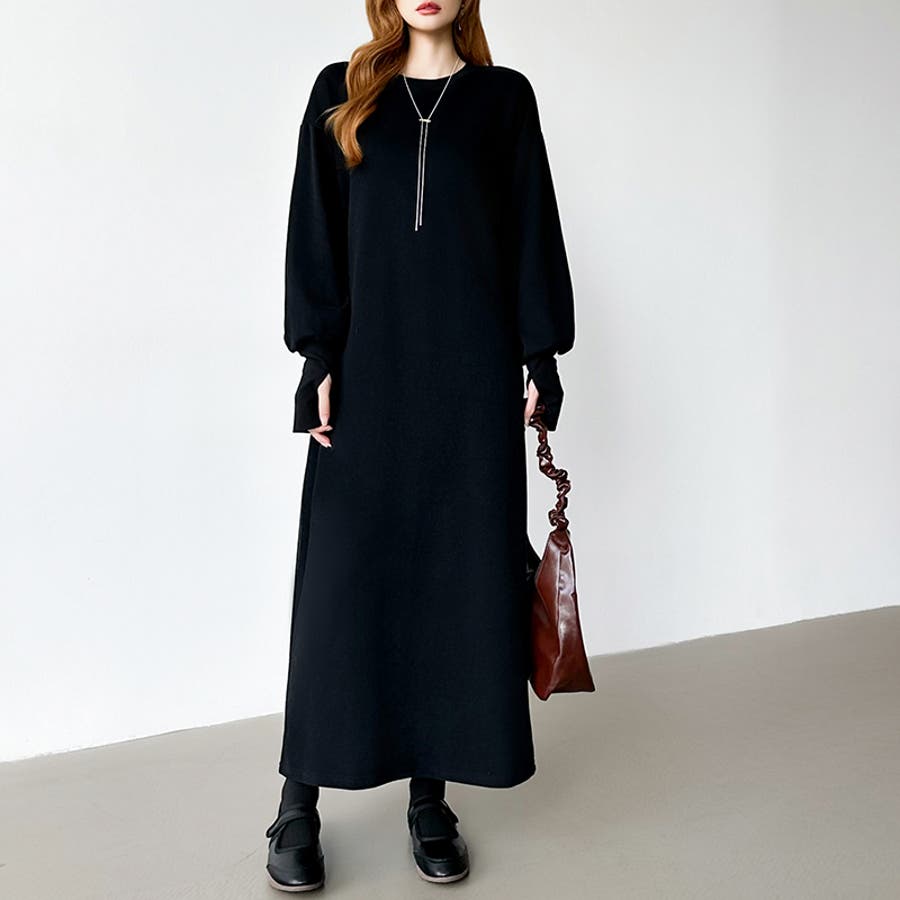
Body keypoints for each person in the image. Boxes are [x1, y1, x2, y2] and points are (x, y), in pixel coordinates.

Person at [265, 0, 576, 890]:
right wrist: (317, 356)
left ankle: (429, 799)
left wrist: (541, 357)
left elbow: (530, 231)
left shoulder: (504, 99)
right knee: (339, 592)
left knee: (452, 587)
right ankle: (297, 800)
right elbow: (316, 230)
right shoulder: (342, 91)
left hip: (470, 388)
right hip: (368, 381)